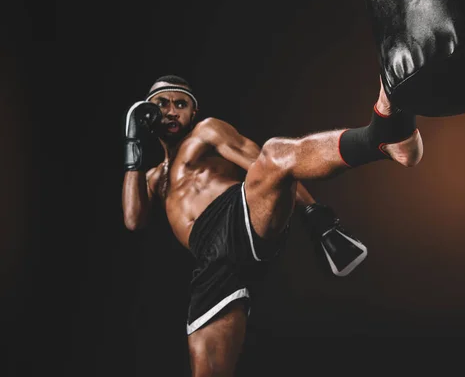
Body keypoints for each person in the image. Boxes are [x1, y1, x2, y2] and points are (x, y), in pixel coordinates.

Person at [121, 75, 423, 376]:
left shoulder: (205, 132)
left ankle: (380, 139)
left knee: (275, 152)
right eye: (162, 104)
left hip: (236, 217)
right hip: (210, 266)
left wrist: (316, 216)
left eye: (180, 104)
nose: (172, 111)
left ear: (193, 112)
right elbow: (133, 219)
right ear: (147, 112)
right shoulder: (151, 178)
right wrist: (132, 140)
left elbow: (266, 163)